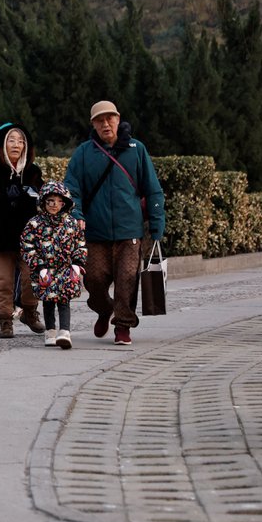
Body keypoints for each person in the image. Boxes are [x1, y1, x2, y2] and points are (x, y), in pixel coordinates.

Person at [64, 100, 165, 345]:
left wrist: (156, 224)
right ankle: (104, 308)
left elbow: (153, 189)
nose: (106, 123)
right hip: (95, 232)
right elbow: (71, 189)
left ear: (118, 120)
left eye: (110, 118)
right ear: (93, 125)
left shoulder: (136, 149)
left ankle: (123, 326)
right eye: (100, 120)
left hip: (129, 230)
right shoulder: (84, 153)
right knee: (94, 280)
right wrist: (77, 216)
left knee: (127, 278)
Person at [0, 122, 46, 339]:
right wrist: (12, 196)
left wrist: (21, 197)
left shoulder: (33, 171)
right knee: (4, 281)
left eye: (21, 140)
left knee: (30, 278)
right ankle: (5, 320)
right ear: (2, 144)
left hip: (29, 236)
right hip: (0, 235)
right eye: (11, 140)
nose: (16, 144)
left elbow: (39, 200)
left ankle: (29, 311)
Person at [20, 181, 88, 349]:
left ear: (64, 203)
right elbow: (27, 245)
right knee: (48, 301)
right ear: (43, 202)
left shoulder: (71, 223)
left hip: (66, 268)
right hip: (45, 269)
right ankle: (50, 330)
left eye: (58, 201)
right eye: (50, 201)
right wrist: (39, 266)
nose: (54, 205)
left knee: (64, 300)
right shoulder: (35, 224)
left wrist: (77, 263)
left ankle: (65, 331)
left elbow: (80, 244)